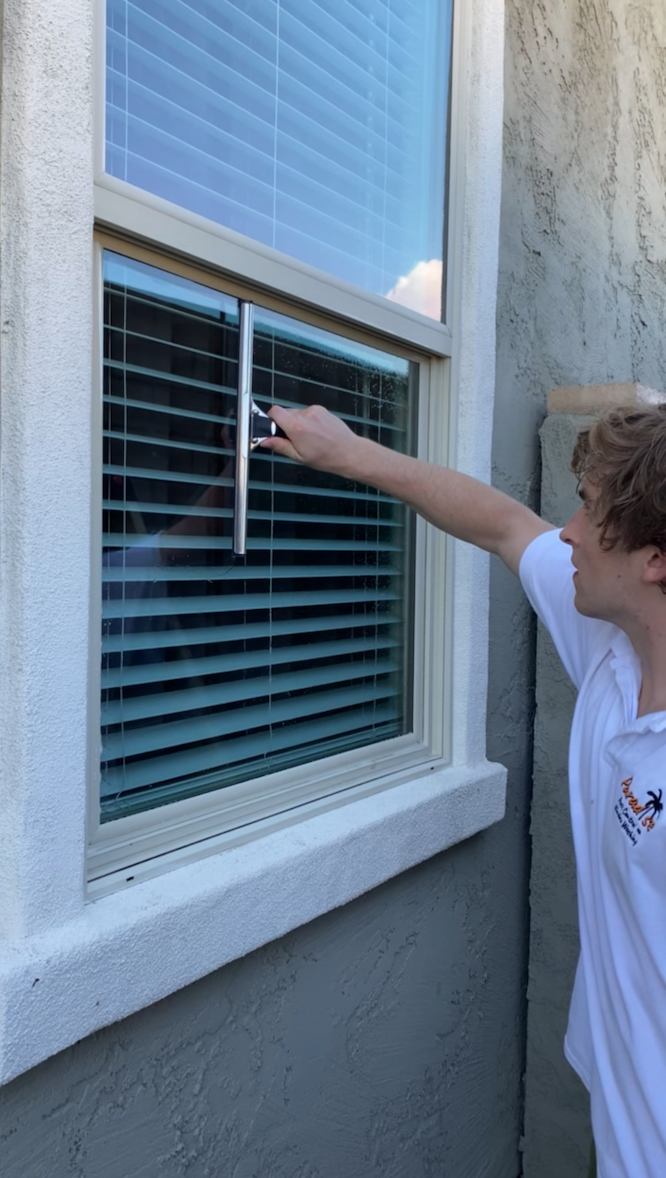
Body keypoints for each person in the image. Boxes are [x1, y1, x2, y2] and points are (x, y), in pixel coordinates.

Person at [261, 402, 666, 1178]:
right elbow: (504, 526)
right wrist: (348, 454)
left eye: (588, 511)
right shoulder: (616, 647)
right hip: (616, 1110)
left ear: (653, 558)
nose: (568, 534)